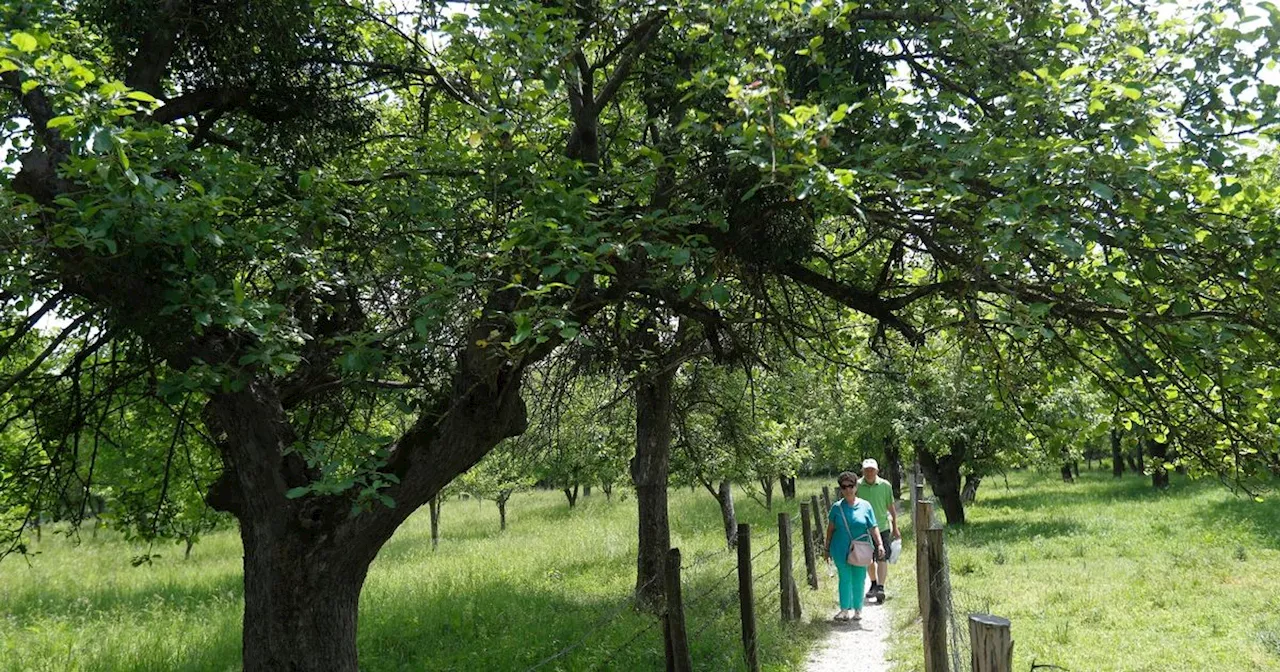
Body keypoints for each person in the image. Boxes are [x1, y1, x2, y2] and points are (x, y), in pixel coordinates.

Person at [823, 471, 885, 622]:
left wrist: (880, 544)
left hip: (860, 549)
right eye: (844, 487)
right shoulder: (836, 508)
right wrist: (826, 548)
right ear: (841, 489)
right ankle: (844, 609)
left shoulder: (865, 506)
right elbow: (830, 530)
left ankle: (858, 610)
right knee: (844, 578)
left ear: (856, 487)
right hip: (840, 549)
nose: (848, 490)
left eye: (851, 486)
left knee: (859, 578)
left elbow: (873, 526)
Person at [858, 458, 899, 604]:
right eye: (867, 470)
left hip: (882, 526)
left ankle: (880, 587)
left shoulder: (885, 485)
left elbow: (891, 507)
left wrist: (895, 527)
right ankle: (874, 583)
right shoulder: (857, 486)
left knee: (882, 557)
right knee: (868, 559)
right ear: (863, 471)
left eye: (872, 470)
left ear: (877, 471)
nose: (869, 472)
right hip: (863, 528)